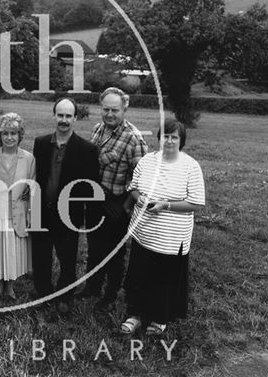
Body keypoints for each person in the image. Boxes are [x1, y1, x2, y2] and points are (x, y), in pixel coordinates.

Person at [120, 118, 205, 335]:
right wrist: (138, 198)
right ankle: (135, 315)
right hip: (144, 233)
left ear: (181, 141)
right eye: (165, 136)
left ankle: (159, 319)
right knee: (139, 276)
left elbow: (196, 203)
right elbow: (133, 187)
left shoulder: (190, 167)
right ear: (159, 138)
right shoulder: (147, 160)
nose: (169, 141)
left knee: (163, 280)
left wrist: (165, 205)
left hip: (171, 238)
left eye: (174, 137)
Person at [32, 97, 100, 314]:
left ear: (75, 118)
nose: (63, 120)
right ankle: (43, 292)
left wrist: (83, 216)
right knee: (41, 257)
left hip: (68, 214)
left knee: (68, 259)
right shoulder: (41, 143)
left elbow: (89, 187)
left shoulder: (87, 149)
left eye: (68, 116)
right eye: (60, 115)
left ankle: (64, 296)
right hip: (42, 212)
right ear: (54, 116)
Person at [84, 87, 147, 312]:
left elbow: (141, 178)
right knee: (94, 247)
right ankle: (92, 287)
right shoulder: (98, 129)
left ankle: (110, 296)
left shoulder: (134, 138)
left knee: (114, 252)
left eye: (115, 110)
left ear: (124, 109)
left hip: (117, 203)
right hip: (94, 199)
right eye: (106, 109)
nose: (110, 114)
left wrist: (126, 207)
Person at [0, 113, 35, 299]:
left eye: (14, 133)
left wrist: (29, 212)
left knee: (12, 250)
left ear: (20, 135)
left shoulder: (28, 158)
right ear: (0, 135)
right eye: (5, 133)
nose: (9, 137)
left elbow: (31, 187)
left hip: (17, 212)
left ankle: (10, 286)